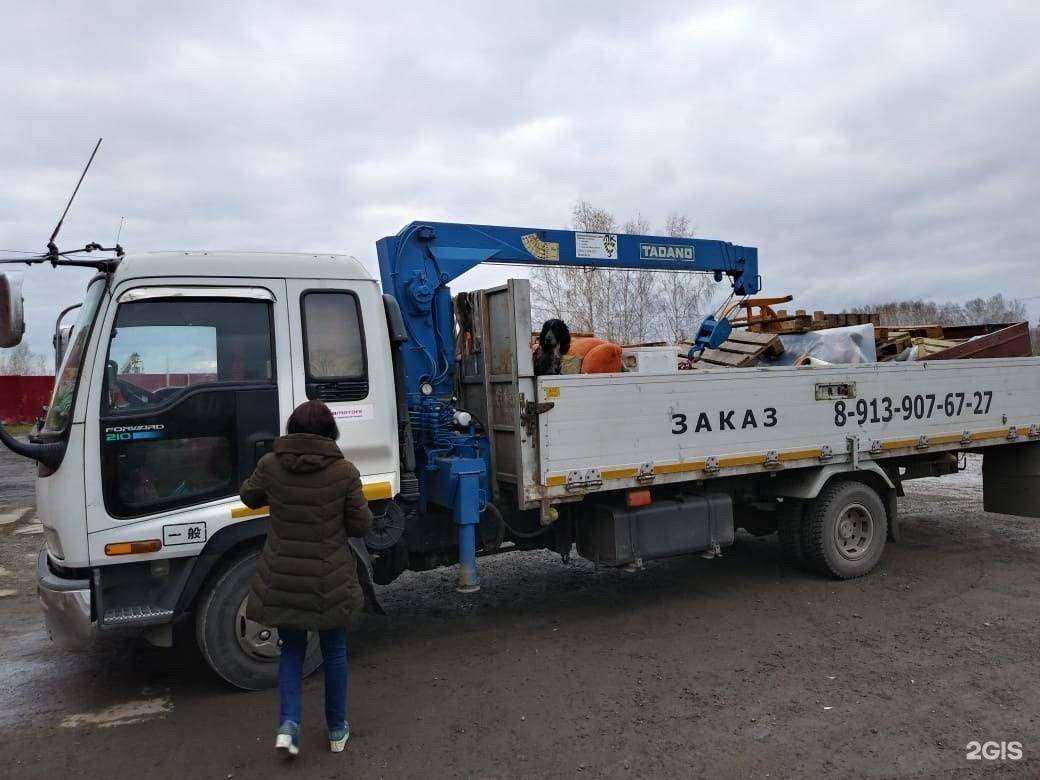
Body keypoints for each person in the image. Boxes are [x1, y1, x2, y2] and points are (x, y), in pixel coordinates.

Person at [239, 399, 373, 757]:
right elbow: (361, 524)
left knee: (292, 651)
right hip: (330, 577)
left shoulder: (270, 465)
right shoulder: (344, 472)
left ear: (292, 428)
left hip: (284, 574)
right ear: (330, 431)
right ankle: (337, 730)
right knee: (335, 651)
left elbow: (248, 496)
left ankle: (288, 725)